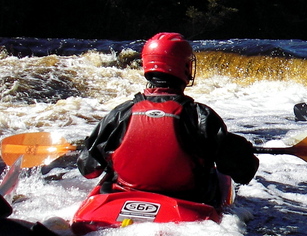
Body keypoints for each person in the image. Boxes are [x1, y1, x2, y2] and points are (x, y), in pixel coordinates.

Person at [77, 32, 259, 207]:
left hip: (123, 199)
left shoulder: (120, 113)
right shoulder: (201, 116)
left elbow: (89, 169)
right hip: (187, 204)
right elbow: (243, 171)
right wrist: (240, 148)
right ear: (186, 68)